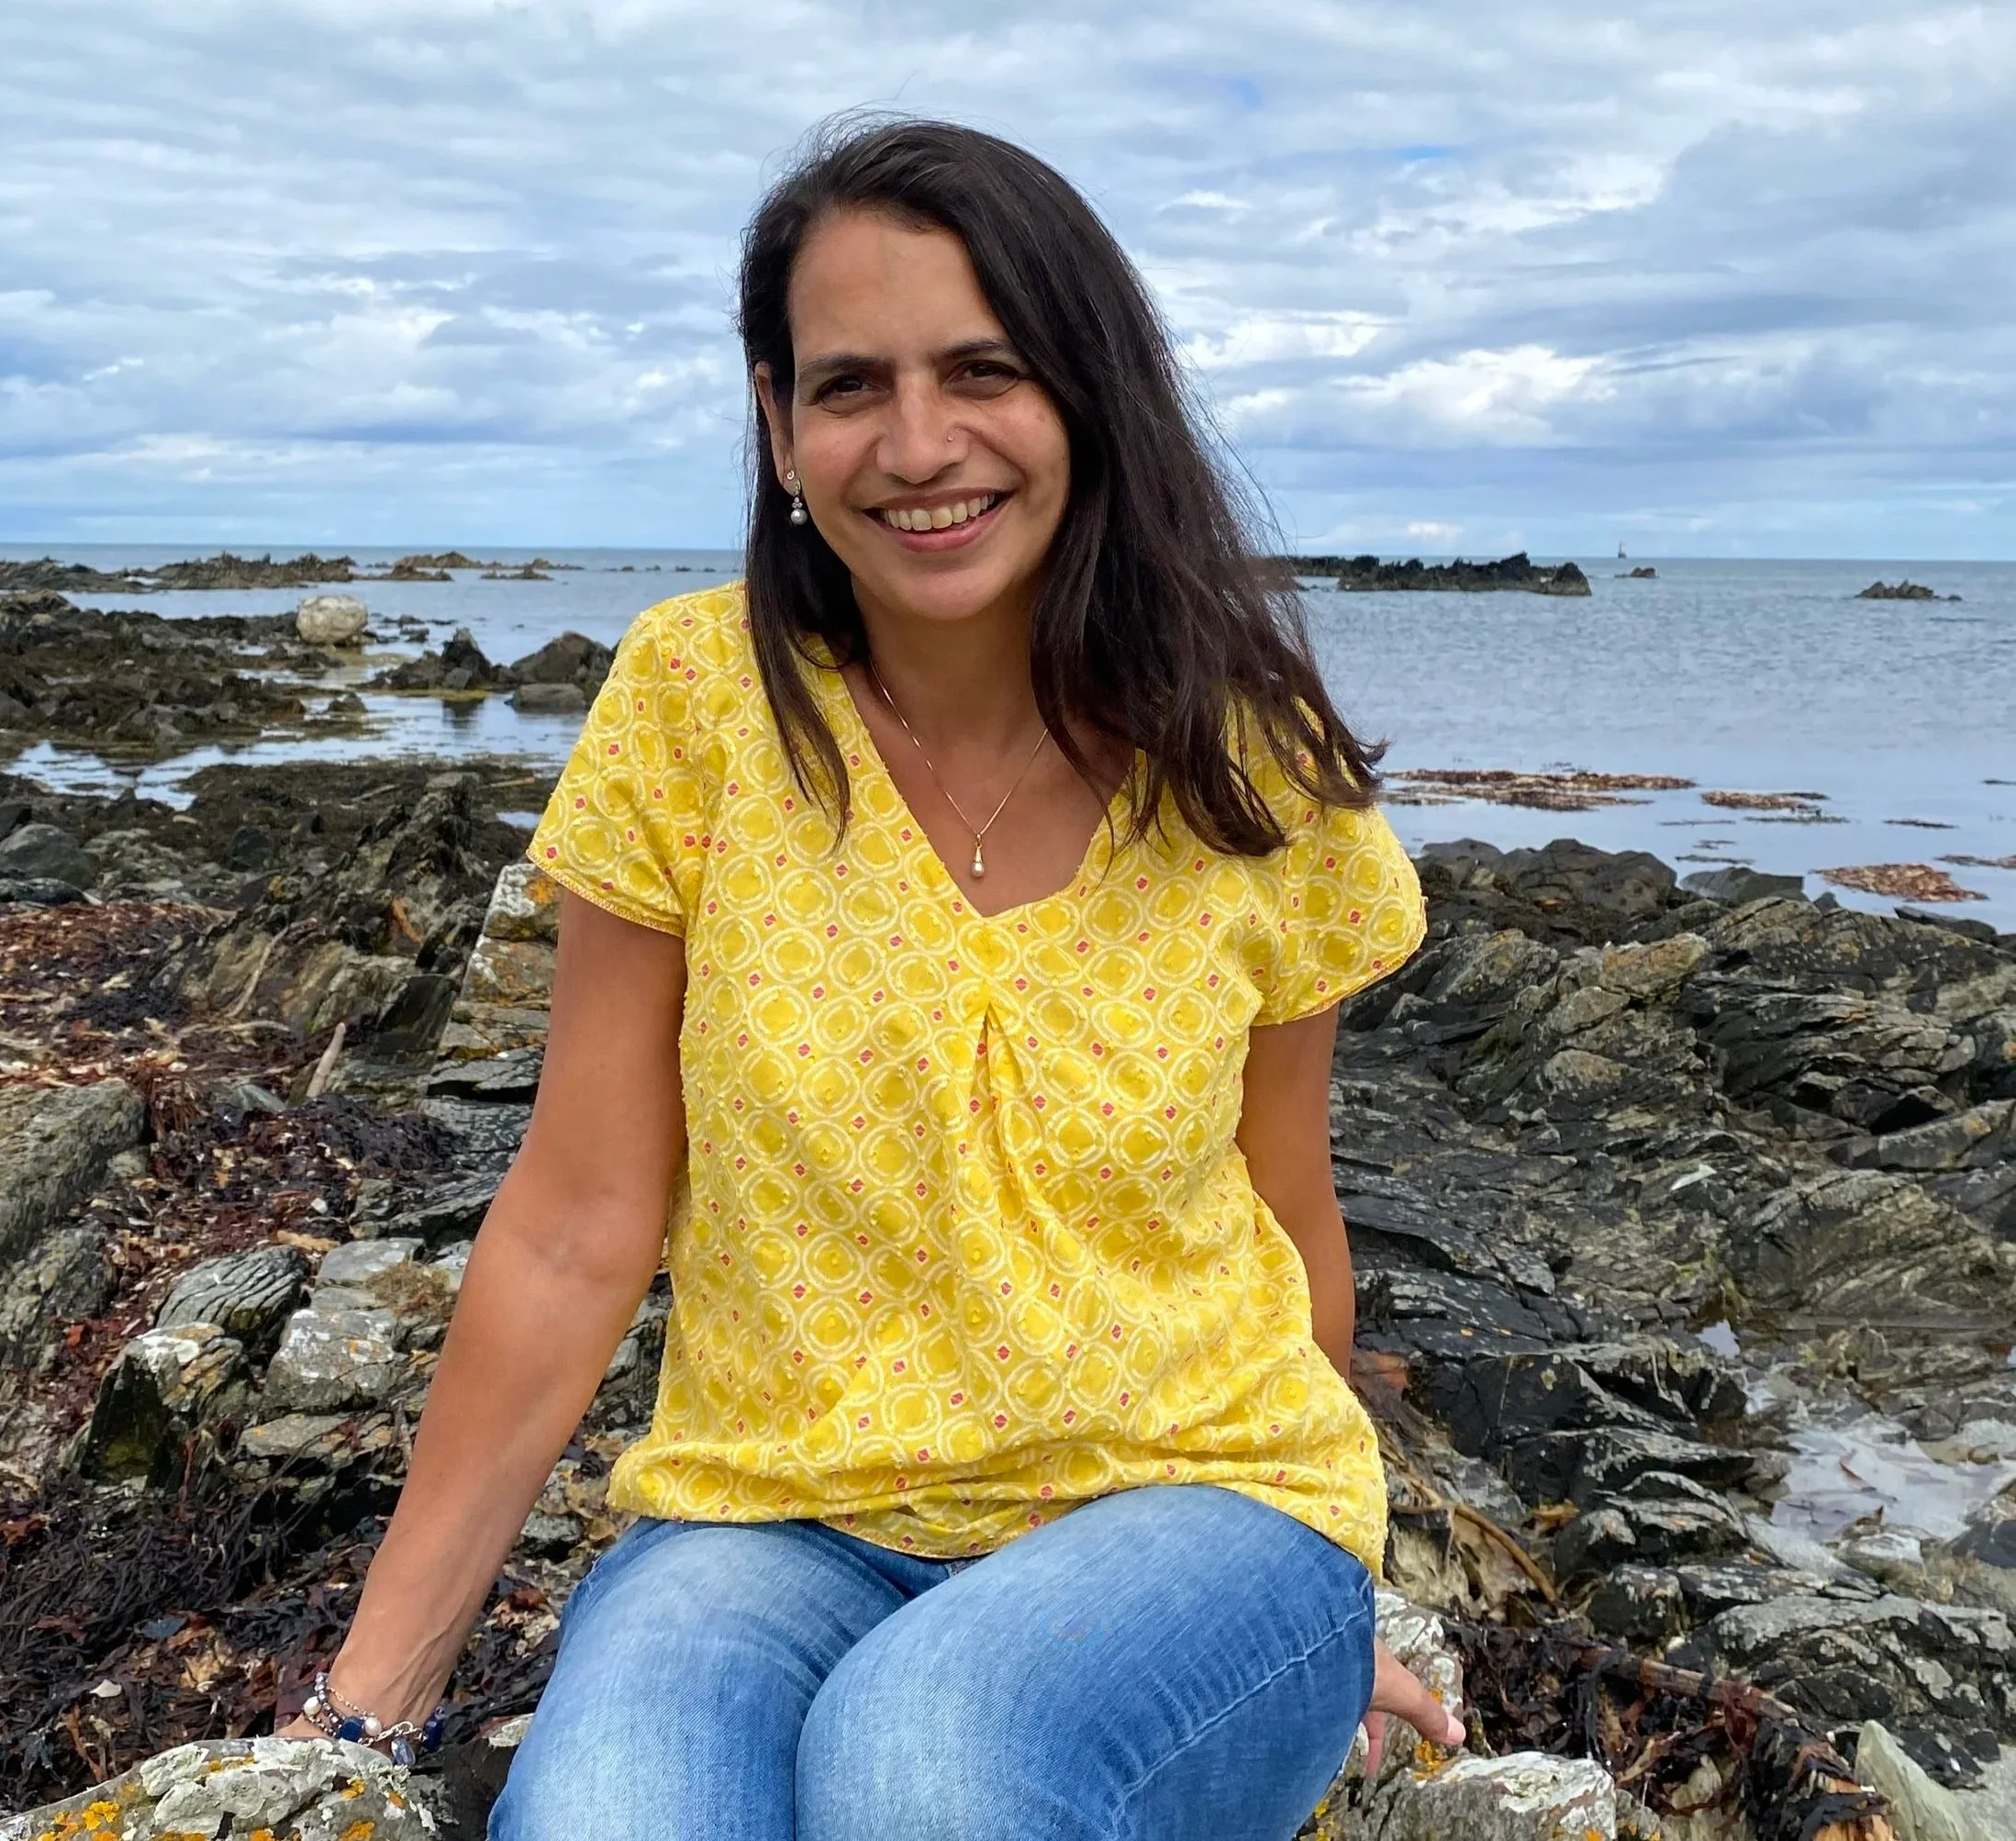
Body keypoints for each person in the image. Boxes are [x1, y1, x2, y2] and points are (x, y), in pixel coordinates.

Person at [282, 117, 1464, 1838]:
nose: (920, 445)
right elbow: (573, 1219)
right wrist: (360, 1716)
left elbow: (1291, 1228)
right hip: (769, 1524)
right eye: (851, 386)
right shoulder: (696, 709)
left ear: (1092, 395)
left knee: (930, 1759)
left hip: (1198, 1510)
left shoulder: (1249, 766)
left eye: (984, 369)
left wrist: (1282, 1631)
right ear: (777, 425)